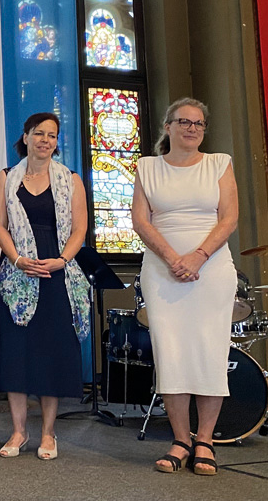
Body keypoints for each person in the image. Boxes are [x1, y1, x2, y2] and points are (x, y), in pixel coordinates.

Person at [132, 98, 238, 476]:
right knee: (171, 353)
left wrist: (197, 257)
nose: (192, 128)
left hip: (211, 269)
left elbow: (229, 218)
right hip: (162, 271)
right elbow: (141, 221)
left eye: (198, 123)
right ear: (168, 126)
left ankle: (205, 440)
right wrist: (172, 258)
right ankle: (180, 440)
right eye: (184, 122)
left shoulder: (219, 163)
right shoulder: (147, 167)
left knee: (210, 352)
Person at [0, 112, 90, 460]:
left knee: (52, 353)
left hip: (56, 271)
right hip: (17, 271)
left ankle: (49, 433)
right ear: (26, 136)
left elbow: (80, 228)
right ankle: (19, 431)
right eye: (39, 133)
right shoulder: (7, 177)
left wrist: (62, 259)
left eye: (51, 135)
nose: (45, 140)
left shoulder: (71, 179)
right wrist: (18, 259)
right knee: (16, 353)